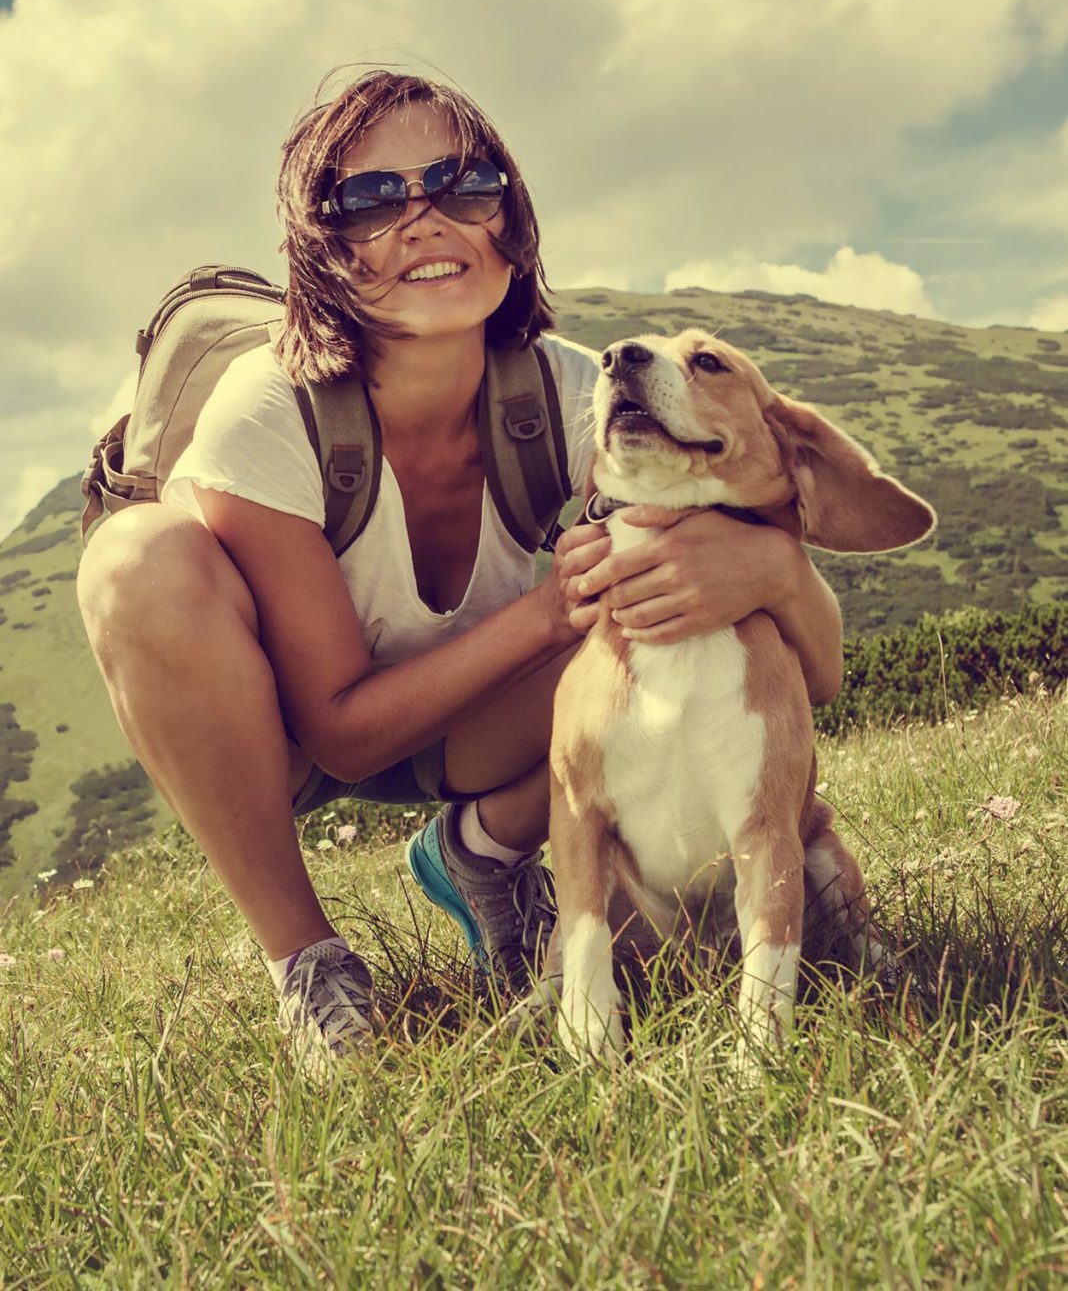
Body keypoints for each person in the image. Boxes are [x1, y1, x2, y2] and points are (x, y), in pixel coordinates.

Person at [76, 68, 844, 1075]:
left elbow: (817, 673)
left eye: (462, 185)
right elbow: (344, 734)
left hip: (481, 725)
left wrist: (767, 566)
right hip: (287, 736)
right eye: (372, 198)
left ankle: (481, 854)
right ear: (324, 249)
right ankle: (310, 965)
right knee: (135, 557)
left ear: (509, 223)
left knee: (674, 605)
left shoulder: (576, 389)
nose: (425, 219)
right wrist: (546, 616)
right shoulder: (269, 409)